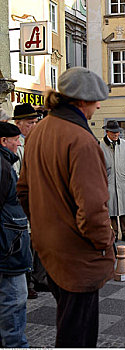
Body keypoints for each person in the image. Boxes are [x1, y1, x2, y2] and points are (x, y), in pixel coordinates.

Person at [16, 67, 115, 347]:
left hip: (49, 248)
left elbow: (23, 191)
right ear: (81, 101)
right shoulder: (81, 140)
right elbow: (93, 209)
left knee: (68, 323)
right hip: (77, 253)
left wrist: (45, 225)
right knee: (78, 335)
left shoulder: (39, 131)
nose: (98, 105)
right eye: (96, 99)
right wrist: (104, 242)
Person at [0, 122, 32, 347]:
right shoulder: (2, 167)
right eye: (15, 140)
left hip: (10, 246)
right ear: (4, 141)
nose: (18, 143)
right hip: (8, 250)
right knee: (14, 302)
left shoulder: (4, 164)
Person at [11, 103, 42, 299]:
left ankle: (38, 279)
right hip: (23, 204)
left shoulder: (33, 141)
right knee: (26, 245)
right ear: (19, 124)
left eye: (36, 122)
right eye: (31, 123)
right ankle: (28, 282)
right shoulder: (17, 145)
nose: (35, 125)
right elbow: (18, 178)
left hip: (36, 202)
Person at [100, 120, 125, 242]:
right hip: (108, 182)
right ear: (107, 132)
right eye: (114, 132)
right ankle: (114, 233)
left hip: (123, 181)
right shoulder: (100, 146)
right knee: (111, 209)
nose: (116, 134)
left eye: (118, 132)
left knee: (124, 207)